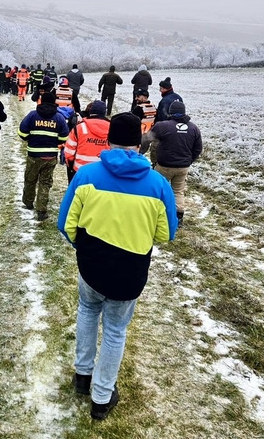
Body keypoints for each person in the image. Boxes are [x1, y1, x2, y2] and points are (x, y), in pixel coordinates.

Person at [56, 113, 178, 420]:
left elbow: (65, 225)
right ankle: (101, 397)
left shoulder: (86, 176)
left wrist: (86, 247)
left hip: (91, 268)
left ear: (109, 141)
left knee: (87, 312)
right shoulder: (158, 184)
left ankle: (82, 377)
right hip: (130, 273)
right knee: (114, 331)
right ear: (140, 144)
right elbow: (165, 234)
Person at [144, 100, 203, 223]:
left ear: (170, 112)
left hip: (164, 165)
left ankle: (156, 214)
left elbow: (148, 139)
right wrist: (188, 161)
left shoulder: (162, 126)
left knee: (159, 189)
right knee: (178, 191)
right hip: (183, 167)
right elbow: (198, 148)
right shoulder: (194, 128)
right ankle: (178, 216)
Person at [17, 89, 69, 220]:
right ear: (54, 102)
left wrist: (31, 138)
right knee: (45, 183)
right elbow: (64, 138)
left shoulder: (32, 115)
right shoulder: (59, 117)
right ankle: (41, 210)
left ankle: (28, 202)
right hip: (50, 156)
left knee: (30, 179)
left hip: (34, 155)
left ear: (41, 101)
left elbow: (22, 133)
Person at [62, 99, 110, 182]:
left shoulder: (79, 127)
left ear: (90, 111)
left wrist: (70, 166)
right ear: (104, 112)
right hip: (103, 171)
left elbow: (69, 151)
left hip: (80, 169)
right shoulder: (112, 128)